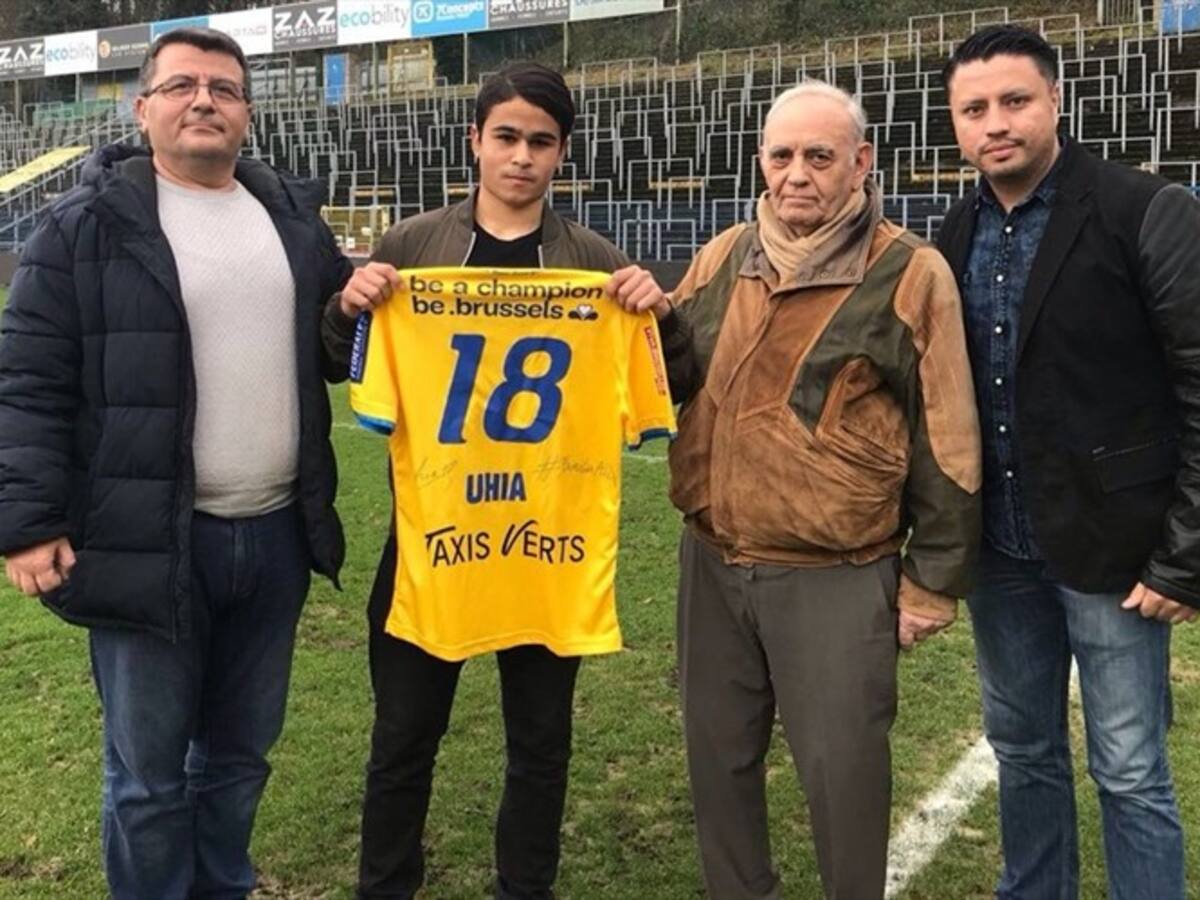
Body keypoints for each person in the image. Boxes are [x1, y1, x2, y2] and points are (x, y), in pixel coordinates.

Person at [0, 27, 354, 899]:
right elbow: (27, 381)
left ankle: (222, 889)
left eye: (226, 88)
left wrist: (358, 303)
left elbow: (336, 348)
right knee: (151, 778)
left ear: (246, 113)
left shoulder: (294, 223)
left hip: (273, 539)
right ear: (144, 106)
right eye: (184, 85)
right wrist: (29, 522)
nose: (206, 100)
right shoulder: (80, 228)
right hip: (145, 540)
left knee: (239, 759)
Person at [615, 78, 982, 900]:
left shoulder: (910, 272)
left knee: (842, 771)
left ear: (861, 162)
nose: (798, 174)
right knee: (718, 759)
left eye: (820, 156)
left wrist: (932, 582)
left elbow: (950, 435)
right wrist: (649, 321)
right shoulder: (723, 254)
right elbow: (669, 378)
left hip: (836, 572)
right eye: (782, 156)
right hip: (712, 558)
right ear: (761, 163)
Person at [326, 62, 668, 900]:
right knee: (404, 735)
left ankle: (526, 887)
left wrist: (661, 313)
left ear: (562, 155)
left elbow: (671, 377)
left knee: (542, 742)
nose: (522, 157)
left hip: (547, 544)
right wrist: (346, 309)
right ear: (475, 140)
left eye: (541, 142)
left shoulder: (593, 262)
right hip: (434, 537)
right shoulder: (412, 248)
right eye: (506, 137)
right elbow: (340, 365)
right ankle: (386, 886)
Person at [937, 24, 1199, 900]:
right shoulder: (954, 229)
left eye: (1014, 101)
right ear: (954, 123)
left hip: (1117, 555)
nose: (995, 123)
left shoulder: (1144, 208)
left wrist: (1184, 556)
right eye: (974, 109)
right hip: (1003, 554)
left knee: (1129, 770)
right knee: (1024, 754)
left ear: (1055, 101)